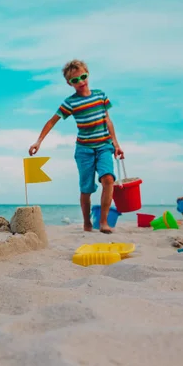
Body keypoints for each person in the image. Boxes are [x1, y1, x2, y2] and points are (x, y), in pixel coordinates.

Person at [29, 59, 124, 234]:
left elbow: (108, 121)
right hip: (84, 150)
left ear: (87, 74)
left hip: (104, 145)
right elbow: (51, 122)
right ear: (69, 83)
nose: (80, 81)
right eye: (75, 80)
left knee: (108, 179)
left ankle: (103, 221)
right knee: (86, 189)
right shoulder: (70, 102)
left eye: (83, 77)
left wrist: (116, 144)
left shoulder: (100, 95)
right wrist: (38, 141)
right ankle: (87, 223)